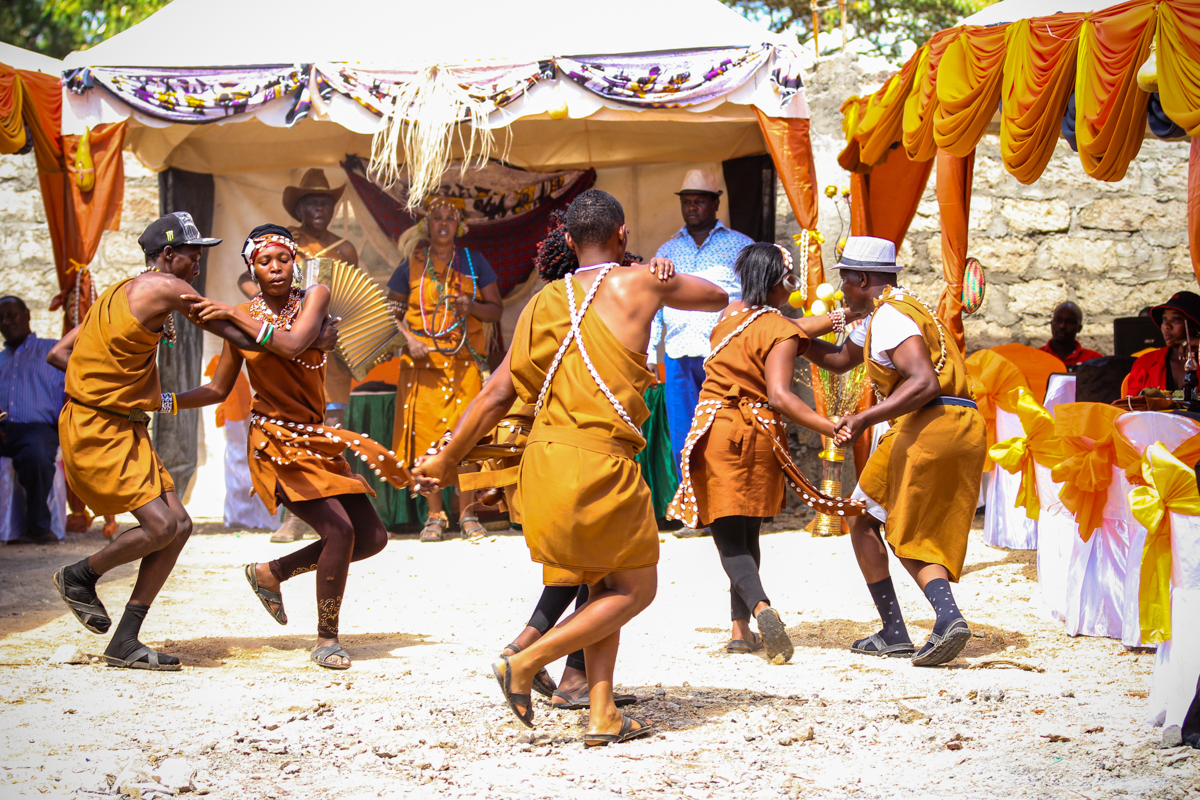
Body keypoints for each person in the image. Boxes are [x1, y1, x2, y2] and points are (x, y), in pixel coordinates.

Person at [413, 189, 727, 745]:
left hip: (545, 464)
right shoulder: (642, 283)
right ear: (622, 234)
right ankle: (528, 660)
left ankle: (601, 711)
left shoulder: (540, 303)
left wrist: (446, 459)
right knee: (634, 591)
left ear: (566, 240)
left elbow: (493, 394)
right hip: (601, 464)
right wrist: (661, 268)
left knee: (603, 582)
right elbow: (716, 295)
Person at [47, 212, 312, 671]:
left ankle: (125, 640)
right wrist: (291, 339)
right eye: (194, 254)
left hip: (119, 424)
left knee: (180, 525)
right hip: (101, 426)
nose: (197, 263)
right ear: (168, 255)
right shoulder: (169, 287)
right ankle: (80, 575)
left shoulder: (118, 292)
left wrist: (116, 388)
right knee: (159, 527)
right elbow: (231, 330)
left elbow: (60, 353)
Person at [180, 224, 408, 669]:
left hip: (316, 438)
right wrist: (160, 400)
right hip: (276, 442)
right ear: (253, 269)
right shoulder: (240, 320)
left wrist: (232, 314)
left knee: (373, 537)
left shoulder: (314, 298)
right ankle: (326, 638)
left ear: (294, 263)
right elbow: (216, 389)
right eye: (264, 261)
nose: (276, 268)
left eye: (283, 259)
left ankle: (272, 572)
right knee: (340, 532)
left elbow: (291, 343)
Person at [667, 243, 865, 662]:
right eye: (790, 283)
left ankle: (759, 608)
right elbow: (783, 390)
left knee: (728, 536)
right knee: (747, 530)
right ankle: (741, 630)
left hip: (716, 433)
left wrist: (843, 317)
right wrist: (829, 425)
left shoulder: (727, 319)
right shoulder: (780, 328)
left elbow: (790, 330)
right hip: (758, 435)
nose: (792, 291)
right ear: (779, 283)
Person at [806, 236, 986, 667]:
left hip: (931, 422)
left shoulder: (889, 317)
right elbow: (838, 359)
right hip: (956, 423)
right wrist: (789, 338)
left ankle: (947, 618)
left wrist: (864, 418)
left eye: (845, 280)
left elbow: (922, 381)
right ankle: (894, 630)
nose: (842, 288)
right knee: (865, 517)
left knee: (903, 525)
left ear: (862, 278)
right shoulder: (898, 310)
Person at [239, 169, 360, 544]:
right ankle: (296, 517)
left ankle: (333, 508)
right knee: (293, 430)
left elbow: (356, 295)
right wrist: (271, 313)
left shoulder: (345, 248)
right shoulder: (285, 244)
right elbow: (246, 283)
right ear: (301, 207)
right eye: (312, 202)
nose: (320, 209)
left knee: (329, 428)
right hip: (287, 349)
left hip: (330, 353)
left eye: (325, 202)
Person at [387, 195, 503, 541]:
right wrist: (409, 339)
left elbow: (496, 310)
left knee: (466, 438)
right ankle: (434, 516)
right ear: (426, 224)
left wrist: (474, 307)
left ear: (459, 226)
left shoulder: (474, 261)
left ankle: (467, 516)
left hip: (466, 365)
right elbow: (390, 313)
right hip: (423, 366)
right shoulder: (411, 263)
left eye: (449, 218)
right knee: (428, 440)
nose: (442, 223)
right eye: (436, 217)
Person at [649, 170, 752, 495]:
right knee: (683, 433)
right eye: (687, 202)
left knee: (726, 429)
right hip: (678, 353)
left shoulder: (740, 245)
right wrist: (651, 351)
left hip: (723, 353)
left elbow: (755, 298)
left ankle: (732, 504)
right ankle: (694, 508)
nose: (692, 207)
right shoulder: (668, 249)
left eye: (699, 201)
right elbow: (656, 303)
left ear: (716, 203)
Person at [0, 296, 66, 544]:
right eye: (1, 318)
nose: (6, 322)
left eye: (12, 315)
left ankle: (38, 529)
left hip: (38, 429)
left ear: (27, 315)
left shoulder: (53, 351)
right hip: (3, 429)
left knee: (37, 454)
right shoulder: (0, 361)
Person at [1126, 291, 1200, 396]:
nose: (1166, 326)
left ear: (1196, 325)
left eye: (1176, 319)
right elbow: (1131, 407)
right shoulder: (1145, 364)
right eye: (1164, 319)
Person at [1039, 301, 1102, 367]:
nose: (1062, 326)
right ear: (1051, 324)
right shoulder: (1035, 357)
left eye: (1070, 322)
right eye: (1058, 320)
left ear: (1079, 328)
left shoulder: (1094, 359)